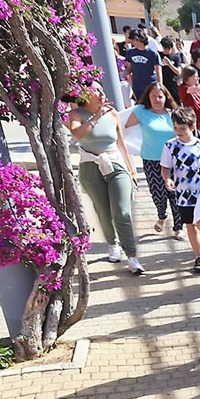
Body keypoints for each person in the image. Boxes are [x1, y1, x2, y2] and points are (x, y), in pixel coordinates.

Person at [64, 87, 141, 271]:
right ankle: (112, 244)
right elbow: (77, 135)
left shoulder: (113, 114)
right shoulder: (76, 114)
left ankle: (132, 256)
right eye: (95, 90)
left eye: (101, 89)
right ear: (85, 95)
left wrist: (132, 170)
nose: (101, 93)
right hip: (90, 166)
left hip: (115, 164)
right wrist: (96, 116)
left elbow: (121, 143)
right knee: (103, 210)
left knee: (122, 212)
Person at [160, 111, 200, 273]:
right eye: (175, 128)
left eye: (182, 128)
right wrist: (167, 179)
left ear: (192, 126)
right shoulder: (170, 146)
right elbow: (166, 167)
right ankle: (199, 256)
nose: (178, 131)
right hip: (183, 195)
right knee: (191, 225)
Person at [124, 83, 178, 233]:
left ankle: (178, 227)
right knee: (158, 193)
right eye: (153, 96)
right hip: (151, 160)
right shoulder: (142, 111)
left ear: (166, 97)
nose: (157, 99)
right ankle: (162, 215)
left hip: (174, 160)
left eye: (160, 96)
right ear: (148, 97)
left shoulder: (173, 113)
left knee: (175, 194)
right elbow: (123, 126)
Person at [120, 31, 162, 105]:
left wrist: (160, 85)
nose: (132, 42)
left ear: (139, 39)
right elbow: (130, 68)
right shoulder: (130, 52)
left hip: (150, 85)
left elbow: (158, 71)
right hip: (137, 86)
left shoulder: (152, 54)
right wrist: (125, 74)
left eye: (133, 39)